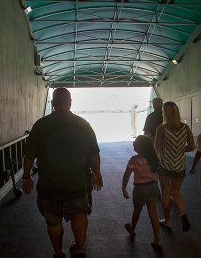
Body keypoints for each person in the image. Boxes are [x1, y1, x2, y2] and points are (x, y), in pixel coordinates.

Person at [22, 87, 103, 258]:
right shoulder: (83, 124)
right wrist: (97, 173)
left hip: (49, 185)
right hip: (77, 182)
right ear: (70, 103)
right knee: (80, 214)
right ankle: (79, 247)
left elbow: (29, 156)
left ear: (52, 104)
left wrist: (26, 176)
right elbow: (94, 154)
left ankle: (58, 253)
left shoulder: (40, 125)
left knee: (53, 221)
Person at [154, 101, 195, 232]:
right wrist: (180, 150)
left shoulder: (161, 129)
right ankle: (182, 213)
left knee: (165, 193)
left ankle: (167, 221)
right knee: (176, 192)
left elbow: (157, 149)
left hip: (165, 166)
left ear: (164, 113)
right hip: (180, 165)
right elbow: (192, 147)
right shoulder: (186, 128)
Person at [122, 135, 161, 250]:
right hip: (153, 187)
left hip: (140, 189)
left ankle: (132, 227)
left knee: (137, 210)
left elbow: (127, 174)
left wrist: (124, 189)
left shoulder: (134, 159)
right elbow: (158, 171)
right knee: (153, 213)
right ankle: (157, 239)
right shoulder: (154, 158)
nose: (133, 143)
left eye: (135, 142)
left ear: (141, 147)